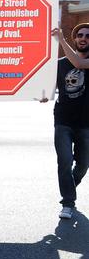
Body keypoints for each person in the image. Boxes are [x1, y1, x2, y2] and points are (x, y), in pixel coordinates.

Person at [51, 24, 89, 219]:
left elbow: (79, 65)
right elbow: (49, 87)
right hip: (63, 120)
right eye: (80, 35)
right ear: (76, 39)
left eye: (87, 36)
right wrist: (41, 94)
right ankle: (68, 202)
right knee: (64, 161)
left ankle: (70, 186)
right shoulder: (60, 63)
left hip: (86, 123)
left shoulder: (85, 61)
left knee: (83, 164)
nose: (83, 38)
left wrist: (61, 40)